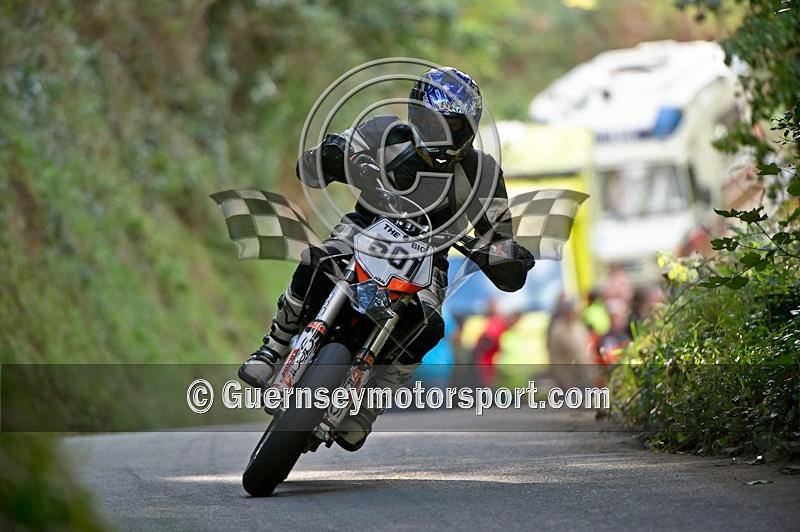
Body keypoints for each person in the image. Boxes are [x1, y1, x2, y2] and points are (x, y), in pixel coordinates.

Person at [237, 67, 534, 451]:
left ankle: (367, 407)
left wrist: (504, 254)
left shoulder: (483, 173)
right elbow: (320, 159)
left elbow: (500, 233)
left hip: (429, 260)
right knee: (317, 260)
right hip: (365, 229)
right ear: (414, 115)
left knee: (427, 325)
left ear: (469, 129)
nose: (440, 134)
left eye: (452, 127)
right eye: (431, 122)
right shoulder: (384, 133)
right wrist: (333, 156)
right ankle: (274, 345)